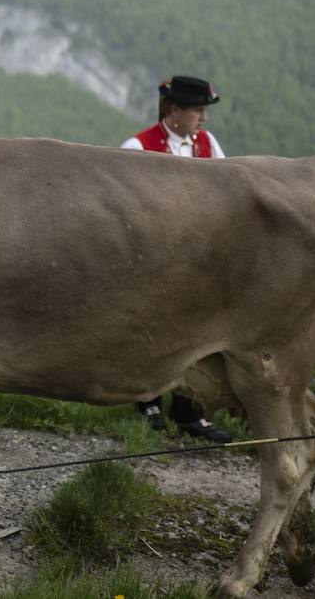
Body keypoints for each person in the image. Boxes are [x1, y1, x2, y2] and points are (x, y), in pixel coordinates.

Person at [121, 74, 232, 443]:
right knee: (150, 329)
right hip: (151, 260)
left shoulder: (207, 144)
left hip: (196, 260)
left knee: (193, 334)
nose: (204, 118)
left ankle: (189, 410)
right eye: (198, 110)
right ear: (173, 111)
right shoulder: (137, 147)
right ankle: (146, 402)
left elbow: (226, 190)